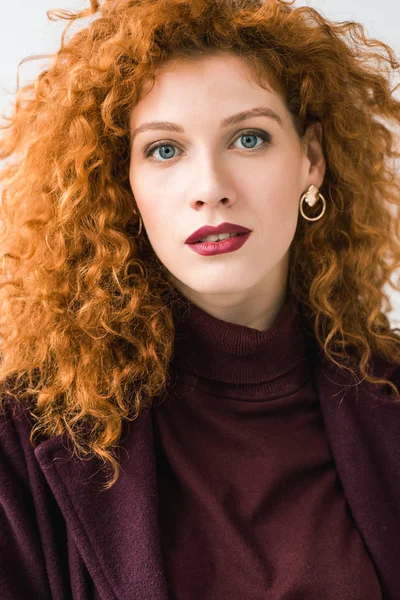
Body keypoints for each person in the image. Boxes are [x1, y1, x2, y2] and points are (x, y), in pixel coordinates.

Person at [0, 0, 400, 598]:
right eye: (164, 149)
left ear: (311, 160)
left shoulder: (390, 393)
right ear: (122, 182)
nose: (210, 188)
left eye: (249, 137)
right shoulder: (21, 433)